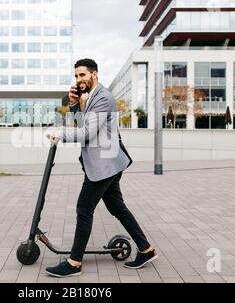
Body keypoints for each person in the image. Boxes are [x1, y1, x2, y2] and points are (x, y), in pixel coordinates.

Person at [46, 59, 158, 278]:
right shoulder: (91, 98)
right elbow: (82, 124)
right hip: (107, 163)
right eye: (76, 76)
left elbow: (87, 133)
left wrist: (60, 133)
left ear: (94, 74)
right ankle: (146, 250)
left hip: (104, 166)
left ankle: (74, 263)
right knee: (117, 208)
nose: (79, 80)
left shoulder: (103, 98)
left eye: (82, 75)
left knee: (84, 208)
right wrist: (74, 104)